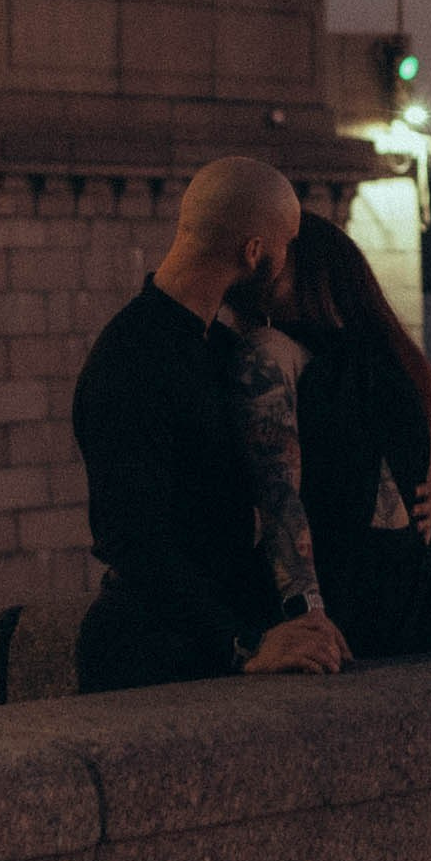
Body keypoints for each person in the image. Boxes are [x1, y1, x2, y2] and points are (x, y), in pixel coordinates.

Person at [72, 156, 350, 692]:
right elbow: (133, 538)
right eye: (286, 245)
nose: (288, 260)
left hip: (197, 643)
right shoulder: (131, 360)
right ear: (252, 252)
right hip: (150, 660)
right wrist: (245, 643)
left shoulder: (211, 348)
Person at [259, 211, 431, 658]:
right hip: (415, 607)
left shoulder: (274, 351)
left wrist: (306, 612)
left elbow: (276, 497)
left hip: (337, 605)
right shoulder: (392, 364)